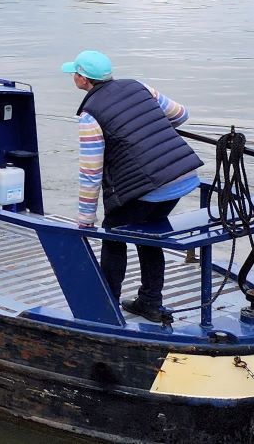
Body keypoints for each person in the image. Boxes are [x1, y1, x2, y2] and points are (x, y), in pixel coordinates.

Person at [64, 50, 203, 324]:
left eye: (74, 74)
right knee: (149, 233)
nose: (73, 78)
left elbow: (91, 172)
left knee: (114, 236)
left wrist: (85, 220)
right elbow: (181, 114)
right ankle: (150, 302)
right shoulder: (139, 87)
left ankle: (106, 307)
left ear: (82, 79)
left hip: (149, 187)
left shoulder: (90, 115)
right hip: (181, 177)